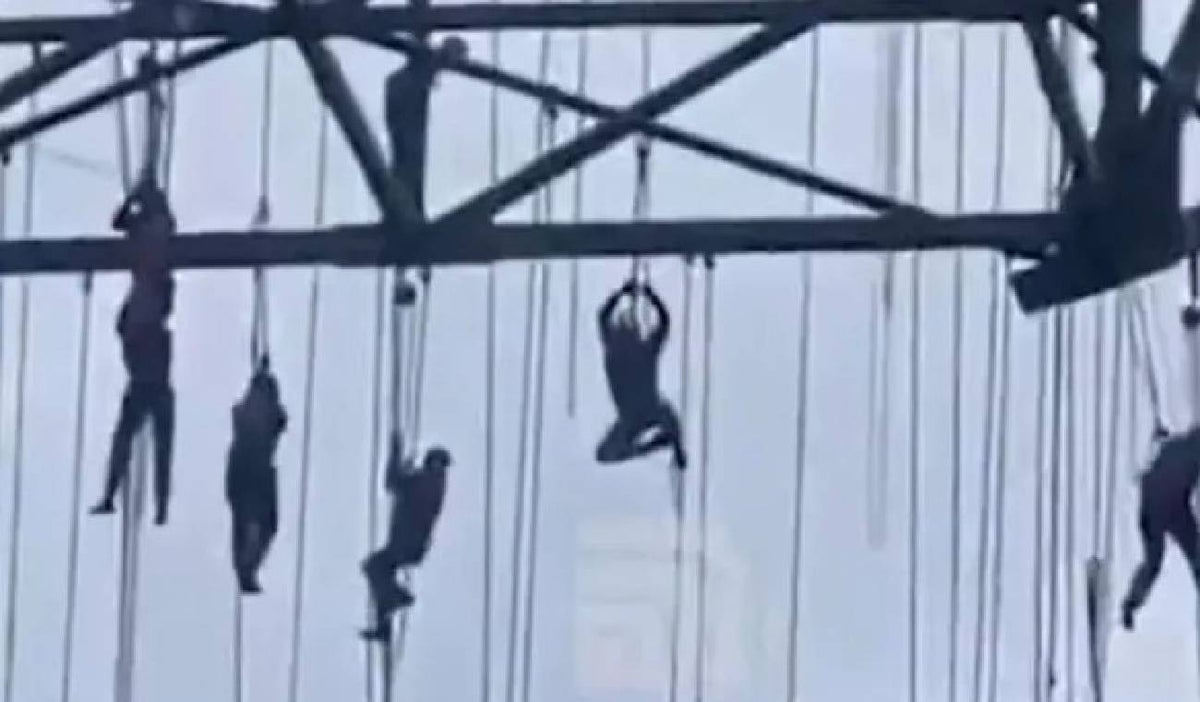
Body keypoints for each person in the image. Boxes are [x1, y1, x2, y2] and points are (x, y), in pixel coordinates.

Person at [90, 181, 176, 526]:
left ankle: (146, 502)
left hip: (147, 375)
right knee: (149, 440)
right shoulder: (151, 232)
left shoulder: (150, 232)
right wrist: (139, 197)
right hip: (148, 376)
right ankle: (147, 503)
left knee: (139, 438)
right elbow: (120, 221)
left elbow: (122, 221)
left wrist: (138, 197)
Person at [361, 433, 451, 641]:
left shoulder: (427, 483)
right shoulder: (432, 484)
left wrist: (395, 452)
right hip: (411, 544)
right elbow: (399, 484)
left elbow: (392, 482)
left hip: (407, 544)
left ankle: (397, 597)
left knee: (375, 567)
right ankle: (384, 623)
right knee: (380, 572)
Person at [595, 280, 686, 470]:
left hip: (643, 409)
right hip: (634, 414)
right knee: (605, 454)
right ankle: (660, 445)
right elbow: (603, 316)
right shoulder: (623, 347)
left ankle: (670, 445)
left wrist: (638, 295)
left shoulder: (628, 347)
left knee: (670, 422)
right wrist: (639, 295)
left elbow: (664, 323)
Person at [1120, 424, 1200, 630]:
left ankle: (1131, 604)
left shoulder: (1175, 445)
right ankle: (1131, 603)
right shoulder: (1187, 448)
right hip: (1172, 506)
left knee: (1152, 564)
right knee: (1193, 558)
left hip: (1154, 505)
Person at [384, 35, 468, 219]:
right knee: (408, 154)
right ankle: (406, 206)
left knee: (405, 155)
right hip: (405, 99)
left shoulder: (427, 63)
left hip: (403, 95)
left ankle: (406, 205)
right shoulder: (428, 61)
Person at [225, 358, 287, 594]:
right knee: (256, 523)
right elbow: (277, 421)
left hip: (250, 472)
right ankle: (246, 569)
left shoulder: (248, 413)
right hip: (254, 472)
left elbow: (277, 421)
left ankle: (246, 568)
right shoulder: (255, 413)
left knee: (255, 523)